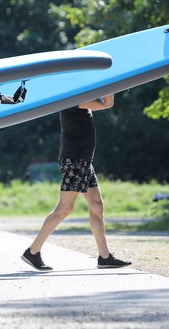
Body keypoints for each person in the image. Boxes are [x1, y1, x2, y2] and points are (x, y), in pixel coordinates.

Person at [21, 95, 131, 271]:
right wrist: (112, 83)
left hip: (83, 161)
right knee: (64, 208)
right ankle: (33, 252)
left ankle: (104, 257)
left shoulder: (78, 96)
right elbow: (107, 104)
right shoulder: (72, 98)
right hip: (75, 160)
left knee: (97, 205)